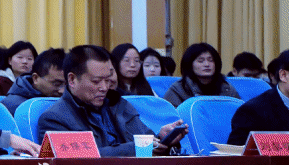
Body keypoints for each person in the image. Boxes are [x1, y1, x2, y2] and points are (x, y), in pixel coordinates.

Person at [35, 44, 186, 157]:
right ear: (72, 80)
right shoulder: (54, 118)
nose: (104, 87)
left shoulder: (119, 104)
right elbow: (78, 160)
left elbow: (145, 144)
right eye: (96, 81)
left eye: (107, 80)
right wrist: (134, 149)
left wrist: (162, 140)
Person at [162, 42, 239, 106]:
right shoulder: (178, 89)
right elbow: (170, 116)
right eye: (200, 61)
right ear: (189, 64)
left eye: (211, 60)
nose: (207, 64)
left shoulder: (227, 88)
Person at [2, 48, 67, 113]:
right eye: (57, 84)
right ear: (35, 78)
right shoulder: (12, 106)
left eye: (68, 85)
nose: (62, 90)